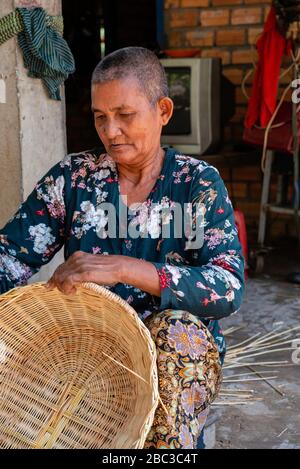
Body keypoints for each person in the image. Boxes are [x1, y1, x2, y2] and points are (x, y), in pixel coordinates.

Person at [0, 47, 244, 449]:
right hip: (91, 352)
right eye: (100, 117)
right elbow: (11, 257)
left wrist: (125, 268)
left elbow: (227, 286)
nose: (110, 131)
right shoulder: (75, 179)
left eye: (125, 115)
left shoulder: (195, 185)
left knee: (177, 332)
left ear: (163, 110)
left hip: (173, 358)